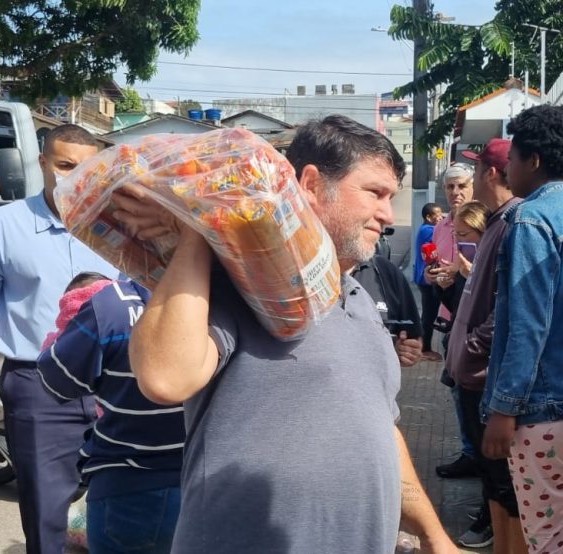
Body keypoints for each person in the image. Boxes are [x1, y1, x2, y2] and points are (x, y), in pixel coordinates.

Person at [113, 115, 456, 553]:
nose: (388, 215)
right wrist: (202, 228)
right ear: (310, 185)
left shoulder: (362, 302)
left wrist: (433, 534)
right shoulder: (241, 284)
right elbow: (165, 378)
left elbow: (380, 430)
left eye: (390, 197)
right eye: (374, 192)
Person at [0, 124, 119, 554]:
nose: (75, 176)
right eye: (64, 165)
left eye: (87, 168)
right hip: (37, 388)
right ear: (43, 163)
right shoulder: (6, 225)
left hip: (118, 387)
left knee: (121, 507)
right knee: (45, 514)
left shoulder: (119, 225)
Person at [38, 276, 185, 554]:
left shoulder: (110, 304)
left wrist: (66, 327)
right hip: (206, 487)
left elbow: (57, 380)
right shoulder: (224, 299)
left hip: (127, 491)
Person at [481, 105, 563, 553]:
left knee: (547, 540)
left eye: (511, 158)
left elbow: (528, 327)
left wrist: (504, 410)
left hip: (544, 414)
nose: (506, 168)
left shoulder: (531, 220)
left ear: (533, 160)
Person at [443, 139, 522, 552]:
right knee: (490, 472)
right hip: (472, 373)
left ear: (491, 173)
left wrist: (473, 346)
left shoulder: (515, 224)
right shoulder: (496, 221)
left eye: (474, 172)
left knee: (501, 476)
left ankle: (499, 532)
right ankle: (491, 523)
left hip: (485, 375)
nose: (468, 182)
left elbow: (512, 308)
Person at [429, 164, 479, 481]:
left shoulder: (483, 221)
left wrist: (464, 272)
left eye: (461, 186)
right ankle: (470, 452)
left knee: (473, 394)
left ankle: (479, 457)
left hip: (476, 321)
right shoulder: (440, 225)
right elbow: (433, 267)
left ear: (473, 186)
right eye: (450, 187)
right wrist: (434, 276)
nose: (456, 193)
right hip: (451, 316)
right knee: (458, 392)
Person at [351, 254, 423, 367]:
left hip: (374, 382)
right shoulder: (315, 271)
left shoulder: (386, 271)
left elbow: (412, 339)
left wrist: (406, 350)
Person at [414, 202, 443, 361]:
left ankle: (423, 345)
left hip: (425, 279)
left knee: (428, 313)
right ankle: (425, 349)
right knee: (429, 315)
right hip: (426, 280)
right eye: (437, 215)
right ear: (428, 217)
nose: (440, 217)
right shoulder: (428, 230)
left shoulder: (427, 228)